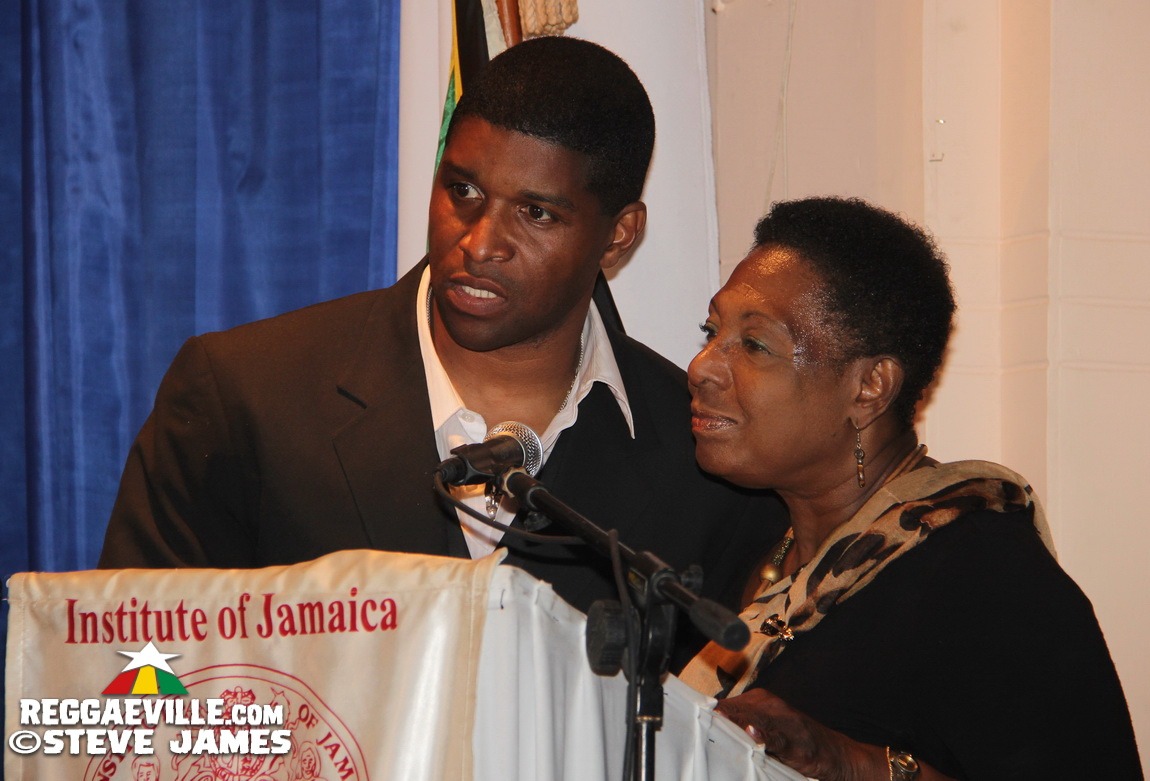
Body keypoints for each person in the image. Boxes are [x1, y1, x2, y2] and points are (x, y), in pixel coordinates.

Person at [97, 37, 783, 644]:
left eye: (536, 212)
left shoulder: (706, 459)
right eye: (462, 190)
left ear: (619, 234)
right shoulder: (243, 394)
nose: (480, 243)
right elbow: (133, 674)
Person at [679, 197, 1142, 779]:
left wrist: (853, 763)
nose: (703, 366)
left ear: (870, 386)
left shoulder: (986, 577)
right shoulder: (744, 545)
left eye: (754, 344)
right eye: (711, 331)